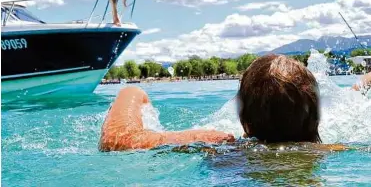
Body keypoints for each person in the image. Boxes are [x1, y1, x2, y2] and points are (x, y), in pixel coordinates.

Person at [99, 54, 360, 152]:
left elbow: (120, 140)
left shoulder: (225, 145)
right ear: (318, 117)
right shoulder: (339, 150)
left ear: (245, 122)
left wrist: (131, 91)